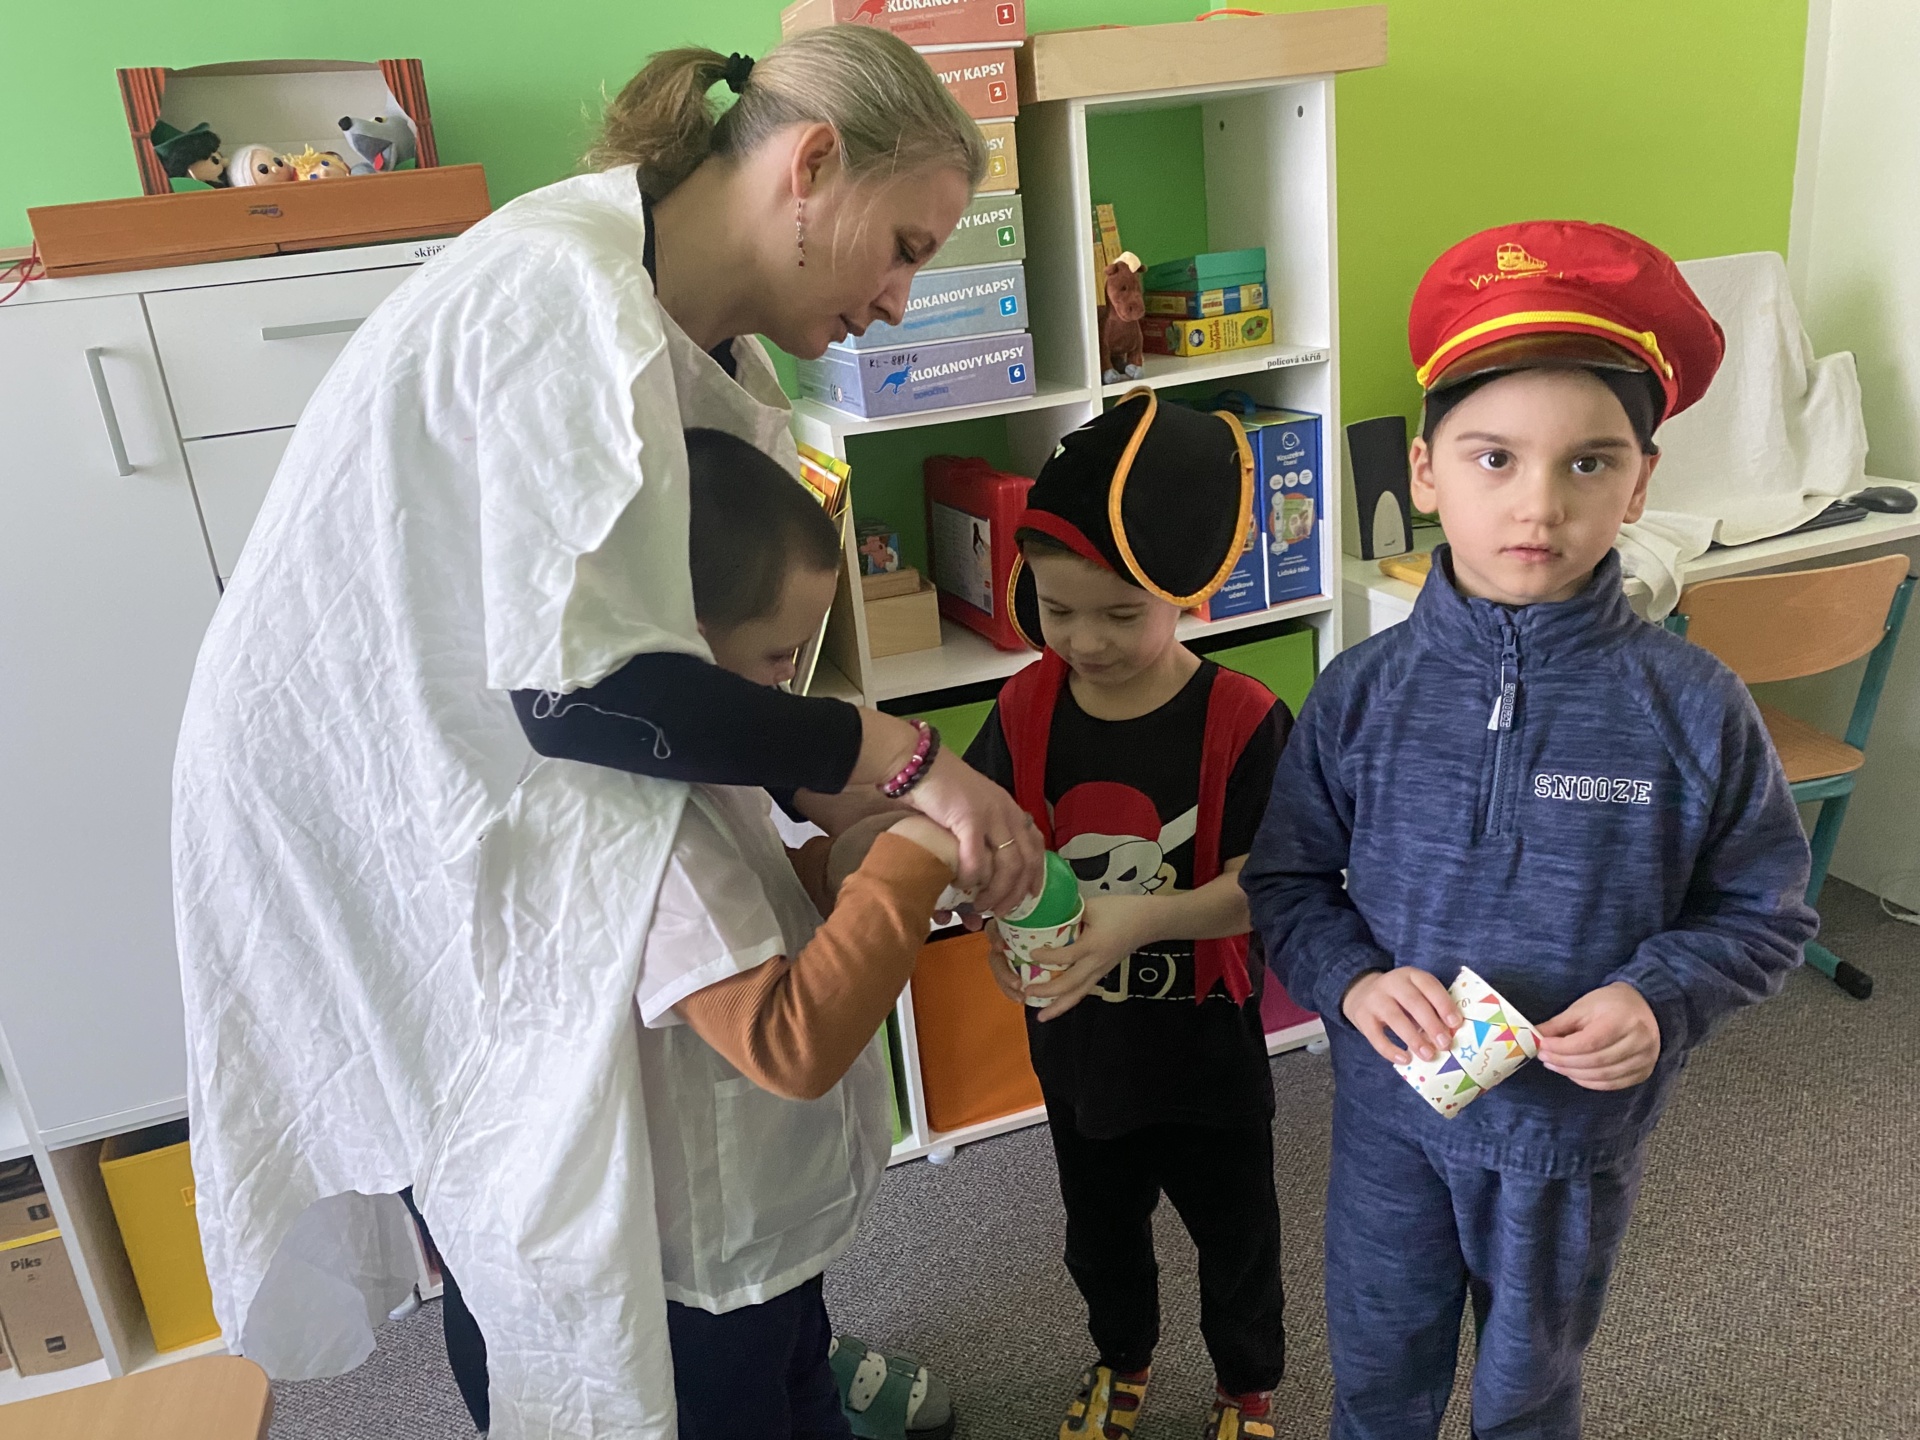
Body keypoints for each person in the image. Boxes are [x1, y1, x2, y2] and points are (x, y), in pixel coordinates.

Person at [173, 30, 1039, 1440]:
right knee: (533, 1145)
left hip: (531, 741)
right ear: (813, 164)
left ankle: (772, 1354)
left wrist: (844, 791)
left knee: (649, 1129)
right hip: (385, 774)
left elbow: (687, 647)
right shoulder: (565, 298)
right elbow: (586, 689)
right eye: (904, 248)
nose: (898, 301)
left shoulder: (707, 346)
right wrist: (902, 762)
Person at [1241, 220, 1818, 1440]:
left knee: (1529, 1392)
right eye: (1494, 458)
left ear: (1642, 481)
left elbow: (1765, 911)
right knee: (1377, 1379)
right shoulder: (1361, 693)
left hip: (1569, 1147)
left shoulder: (1693, 706)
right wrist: (1352, 982)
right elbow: (1286, 884)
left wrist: (1661, 998)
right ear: (1425, 470)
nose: (1539, 506)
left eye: (1589, 463)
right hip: (1392, 1125)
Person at [962, 392, 1293, 1440]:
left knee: (1236, 1238)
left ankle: (1246, 1386)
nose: (1085, 640)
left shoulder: (1242, 718)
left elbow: (1270, 881)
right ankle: (1123, 1358)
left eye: (1119, 614)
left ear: (1184, 595)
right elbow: (981, 843)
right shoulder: (1024, 706)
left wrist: (1138, 920)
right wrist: (987, 923)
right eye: (1058, 611)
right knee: (1100, 1235)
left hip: (1205, 1053)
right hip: (1080, 1052)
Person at [641, 428, 963, 1439]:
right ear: (688, 647)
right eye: (777, 657)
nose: (788, 688)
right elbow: (787, 1041)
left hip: (766, 1231)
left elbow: (766, 893)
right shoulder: (647, 829)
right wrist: (911, 859)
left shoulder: (702, 760)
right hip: (709, 1266)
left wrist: (851, 858)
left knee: (804, 1383)